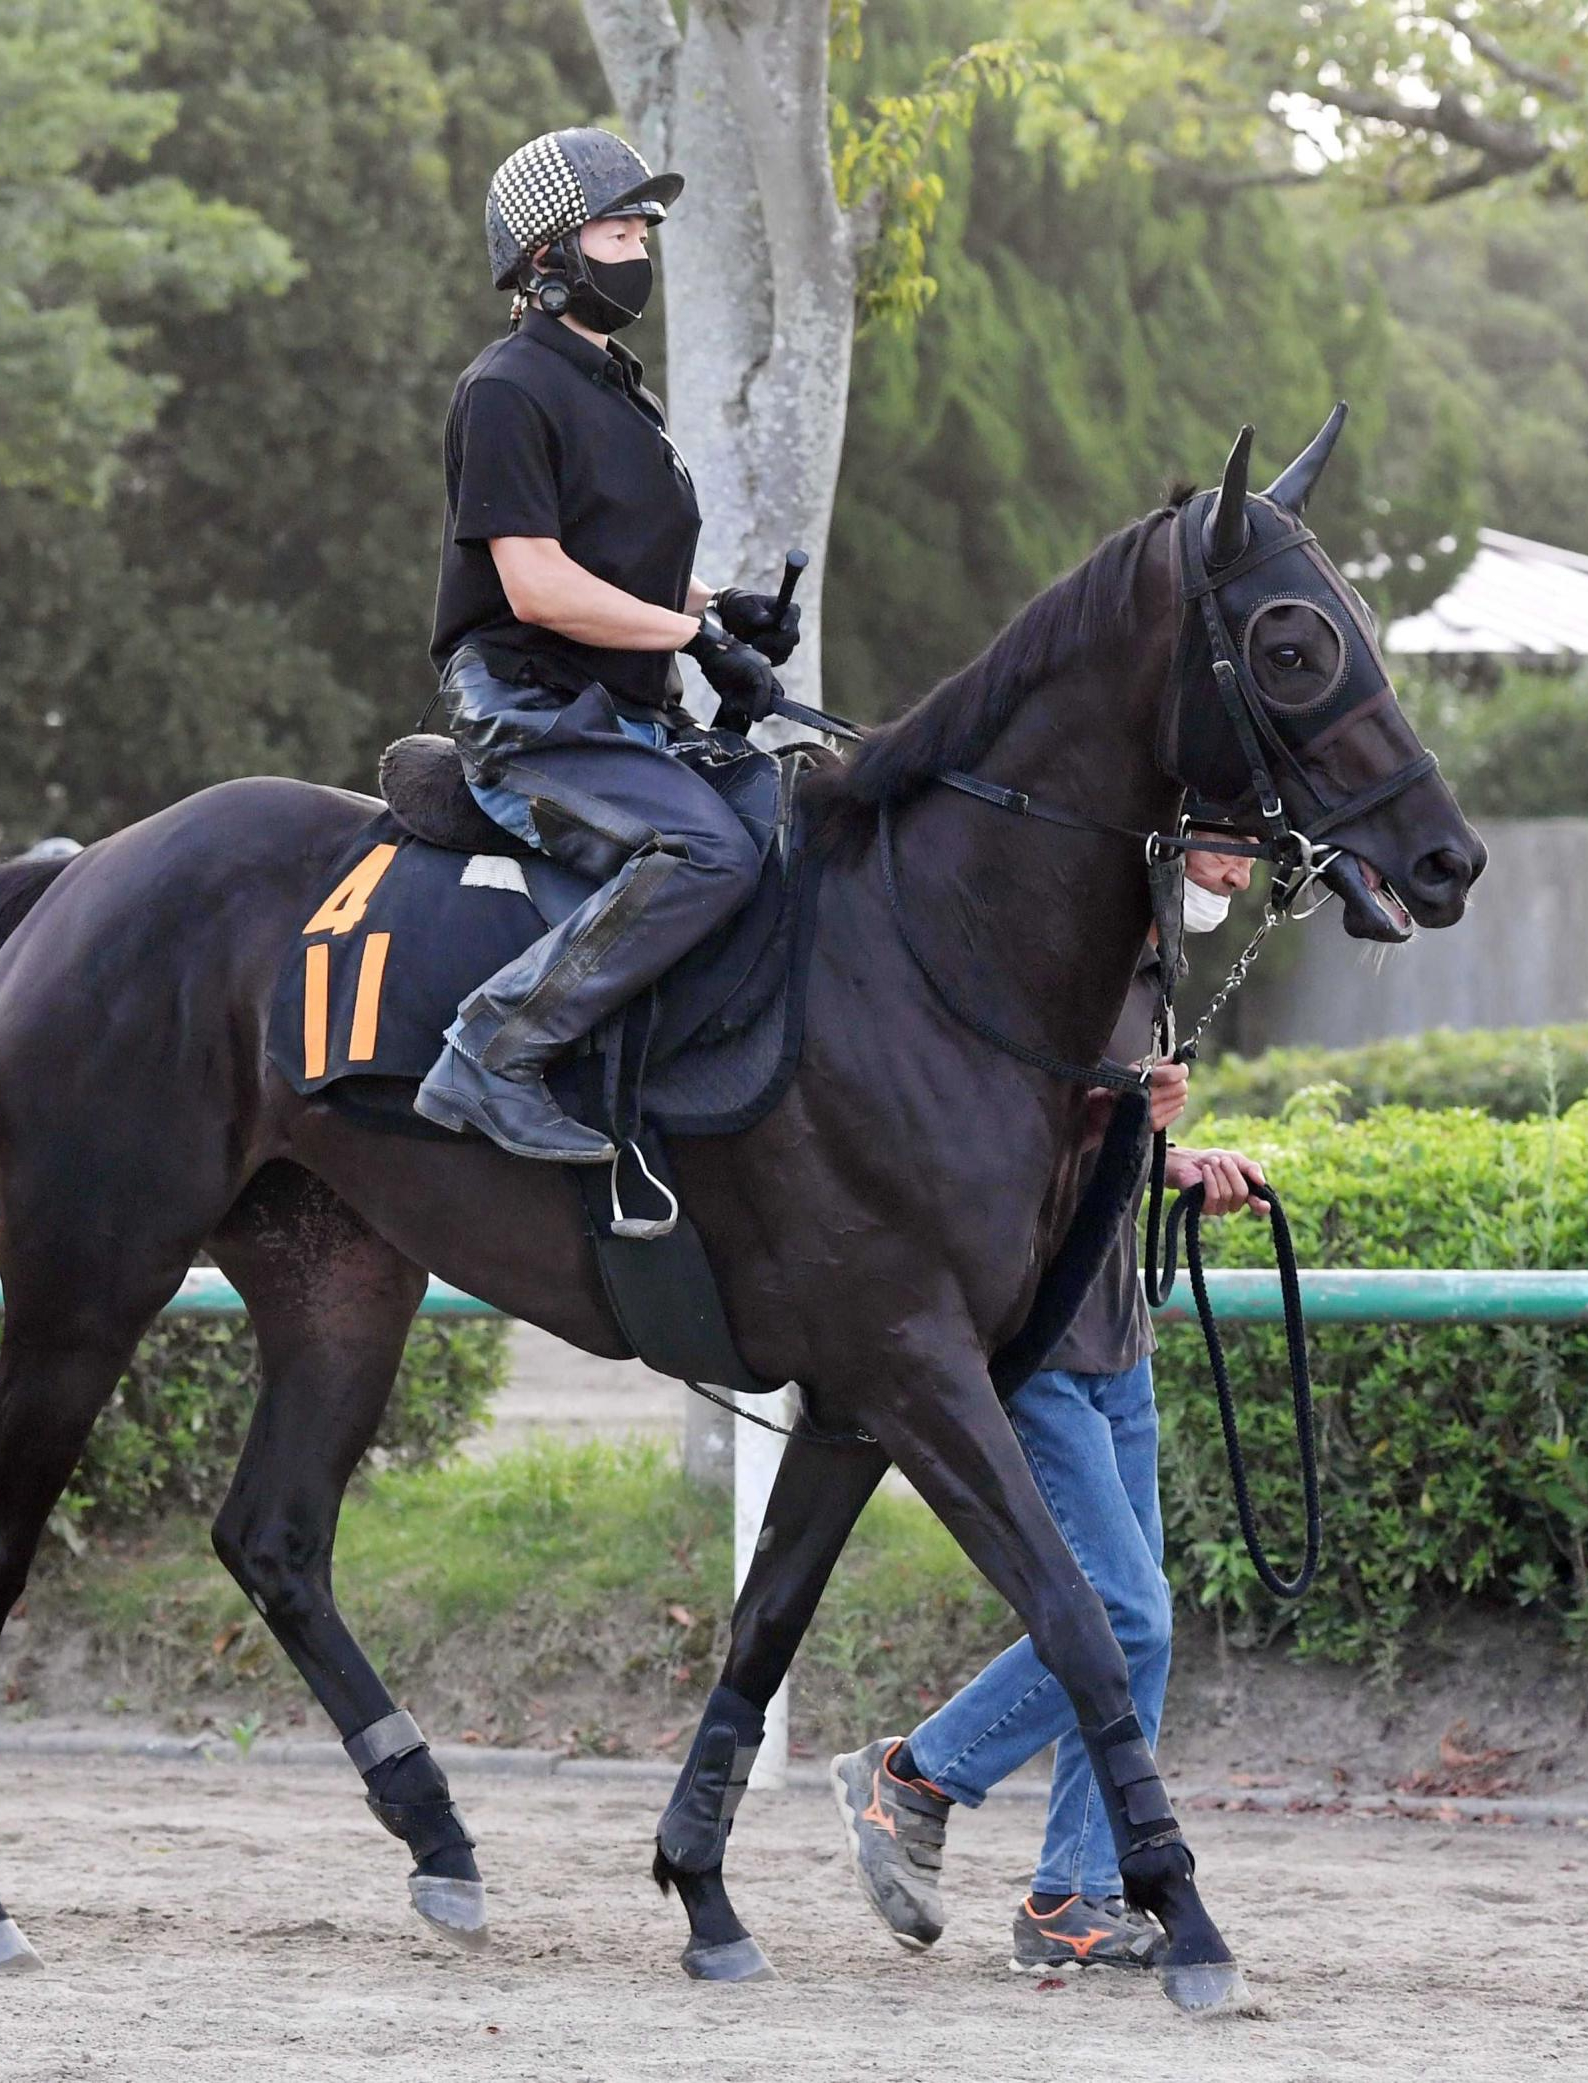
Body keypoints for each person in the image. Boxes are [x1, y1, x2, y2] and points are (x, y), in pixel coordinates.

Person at [829, 838, 1270, 1974]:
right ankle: (914, 1774)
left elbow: (1097, 1146)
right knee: (1126, 1618)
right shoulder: (1048, 947)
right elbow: (977, 1137)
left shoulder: (1147, 955)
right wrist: (1103, 1112)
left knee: (1140, 1624)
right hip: (1036, 1338)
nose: (1244, 875)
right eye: (1232, 846)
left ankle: (1069, 1896)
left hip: (1113, 1331)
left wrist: (1168, 1155)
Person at [413, 127, 803, 1165]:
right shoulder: (504, 389)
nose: (638, 252)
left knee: (787, 816)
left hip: (624, 709)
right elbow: (537, 583)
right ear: (547, 258)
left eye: (643, 232)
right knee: (706, 850)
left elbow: (620, 560)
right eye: (617, 231)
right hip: (528, 714)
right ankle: (489, 1052)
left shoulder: (618, 387)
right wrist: (691, 635)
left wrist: (725, 610)